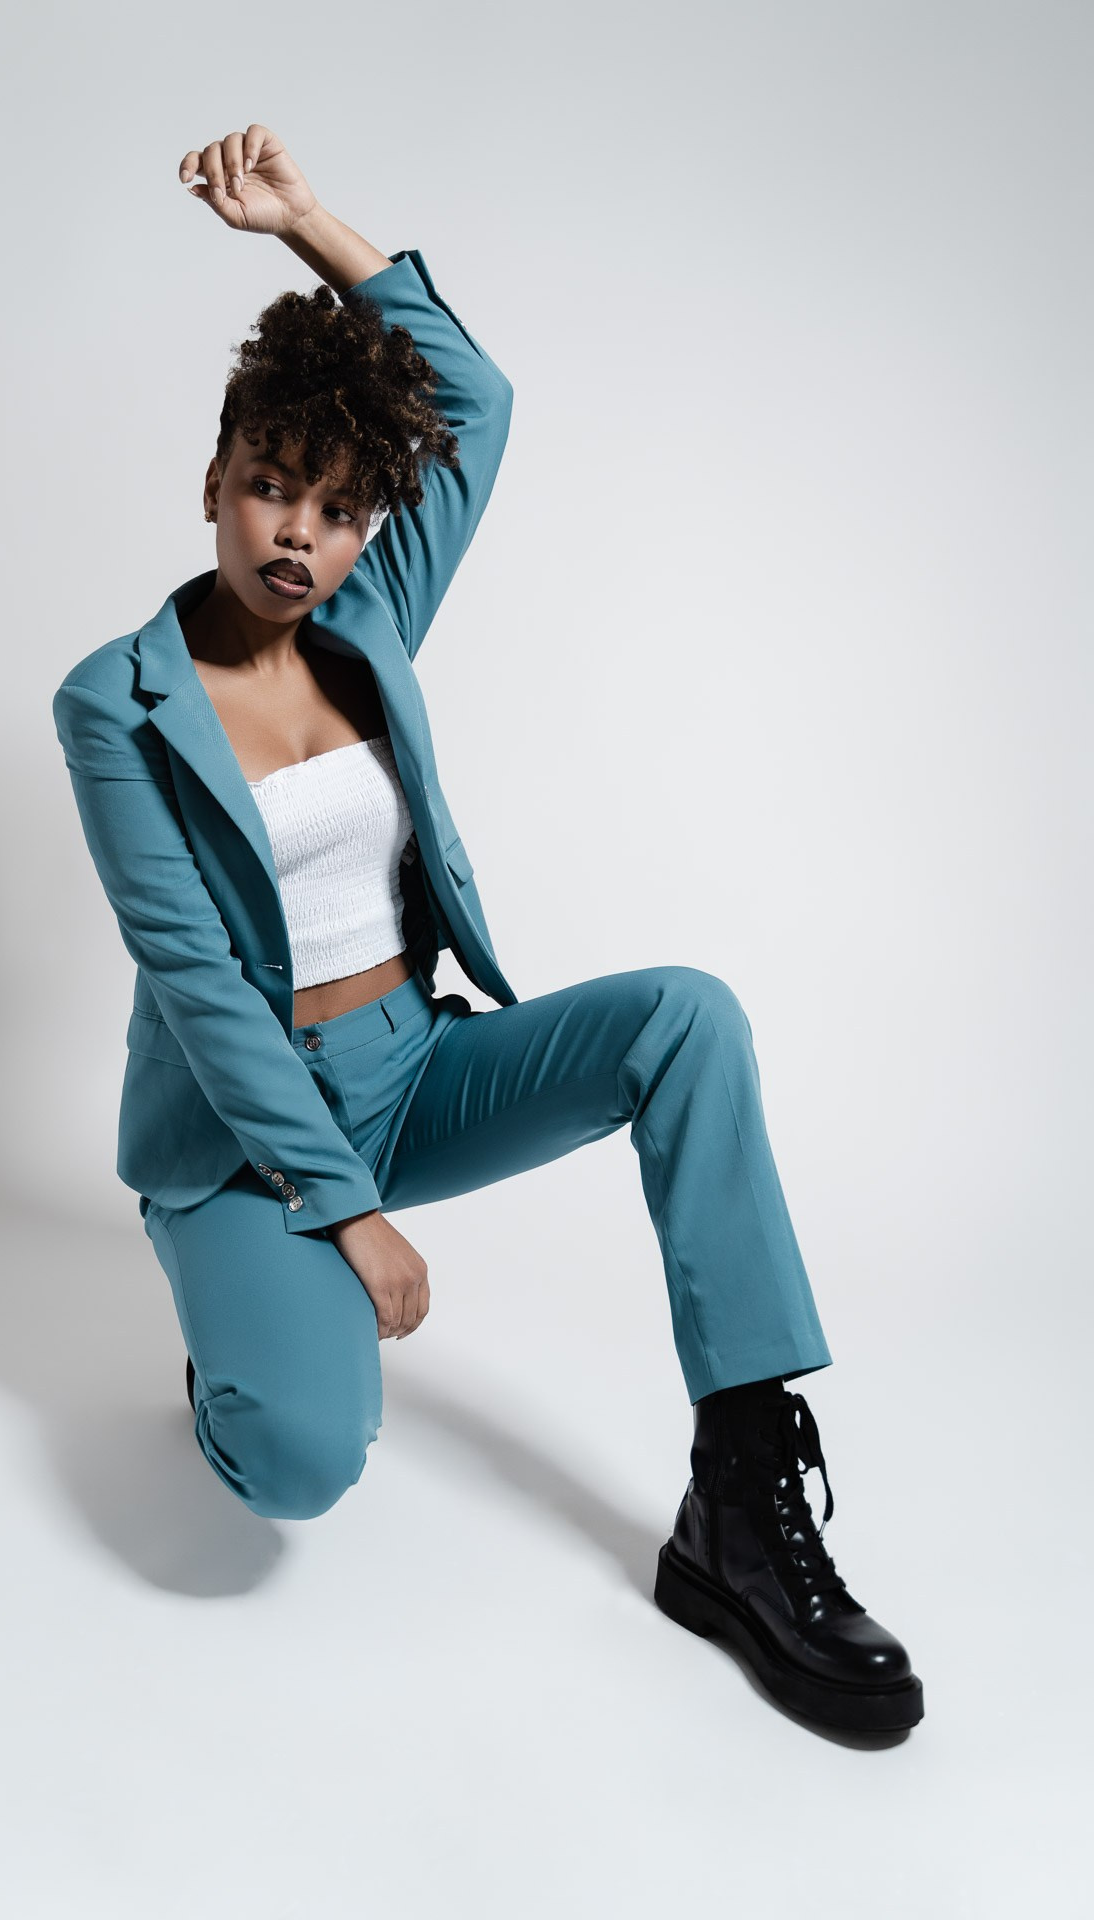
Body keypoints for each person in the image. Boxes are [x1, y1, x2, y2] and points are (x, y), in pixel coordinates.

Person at [52, 123, 923, 1735]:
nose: (294, 537)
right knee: (299, 1464)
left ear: (370, 523)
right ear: (213, 477)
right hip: (251, 1134)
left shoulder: (370, 618)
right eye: (265, 489)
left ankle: (738, 1498)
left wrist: (307, 221)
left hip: (415, 1065)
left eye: (330, 506)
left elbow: (483, 400)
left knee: (689, 1016)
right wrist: (343, 1212)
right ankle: (239, 1345)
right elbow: (192, 973)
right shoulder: (117, 702)